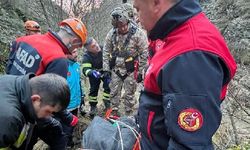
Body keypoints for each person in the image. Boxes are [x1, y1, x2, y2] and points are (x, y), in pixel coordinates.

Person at [133, 0, 237, 149]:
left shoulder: (191, 55)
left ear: (156, 3)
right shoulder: (172, 35)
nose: (137, 17)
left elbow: (188, 145)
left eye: (138, 9)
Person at [5, 18, 87, 150]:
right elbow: (54, 97)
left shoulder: (23, 40)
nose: (74, 51)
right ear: (74, 41)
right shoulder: (58, 59)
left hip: (7, 96)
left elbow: (9, 68)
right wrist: (69, 118)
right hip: (28, 112)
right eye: (77, 47)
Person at [0, 73, 70, 149]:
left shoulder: (16, 84)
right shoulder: (10, 120)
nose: (49, 116)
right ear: (36, 99)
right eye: (49, 112)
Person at [103, 7, 148, 116]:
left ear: (128, 21)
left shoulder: (138, 34)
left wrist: (141, 72)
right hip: (116, 69)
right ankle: (114, 113)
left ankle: (129, 114)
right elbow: (106, 51)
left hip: (131, 70)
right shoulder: (112, 34)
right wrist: (106, 69)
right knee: (114, 94)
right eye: (119, 26)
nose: (122, 28)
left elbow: (144, 52)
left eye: (124, 25)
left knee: (130, 95)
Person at [82, 37, 111, 117]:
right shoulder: (86, 57)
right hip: (94, 74)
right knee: (93, 90)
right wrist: (92, 72)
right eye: (93, 46)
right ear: (88, 49)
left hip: (105, 71)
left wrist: (109, 72)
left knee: (108, 86)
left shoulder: (104, 49)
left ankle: (107, 102)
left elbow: (111, 60)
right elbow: (85, 69)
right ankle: (93, 106)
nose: (96, 46)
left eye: (96, 43)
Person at [63, 49, 84, 147]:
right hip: (66, 105)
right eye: (73, 52)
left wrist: (82, 97)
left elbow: (79, 83)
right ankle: (65, 144)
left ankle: (69, 142)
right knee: (65, 127)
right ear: (66, 53)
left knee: (71, 125)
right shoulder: (62, 67)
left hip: (76, 103)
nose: (76, 54)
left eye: (76, 51)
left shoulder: (76, 66)